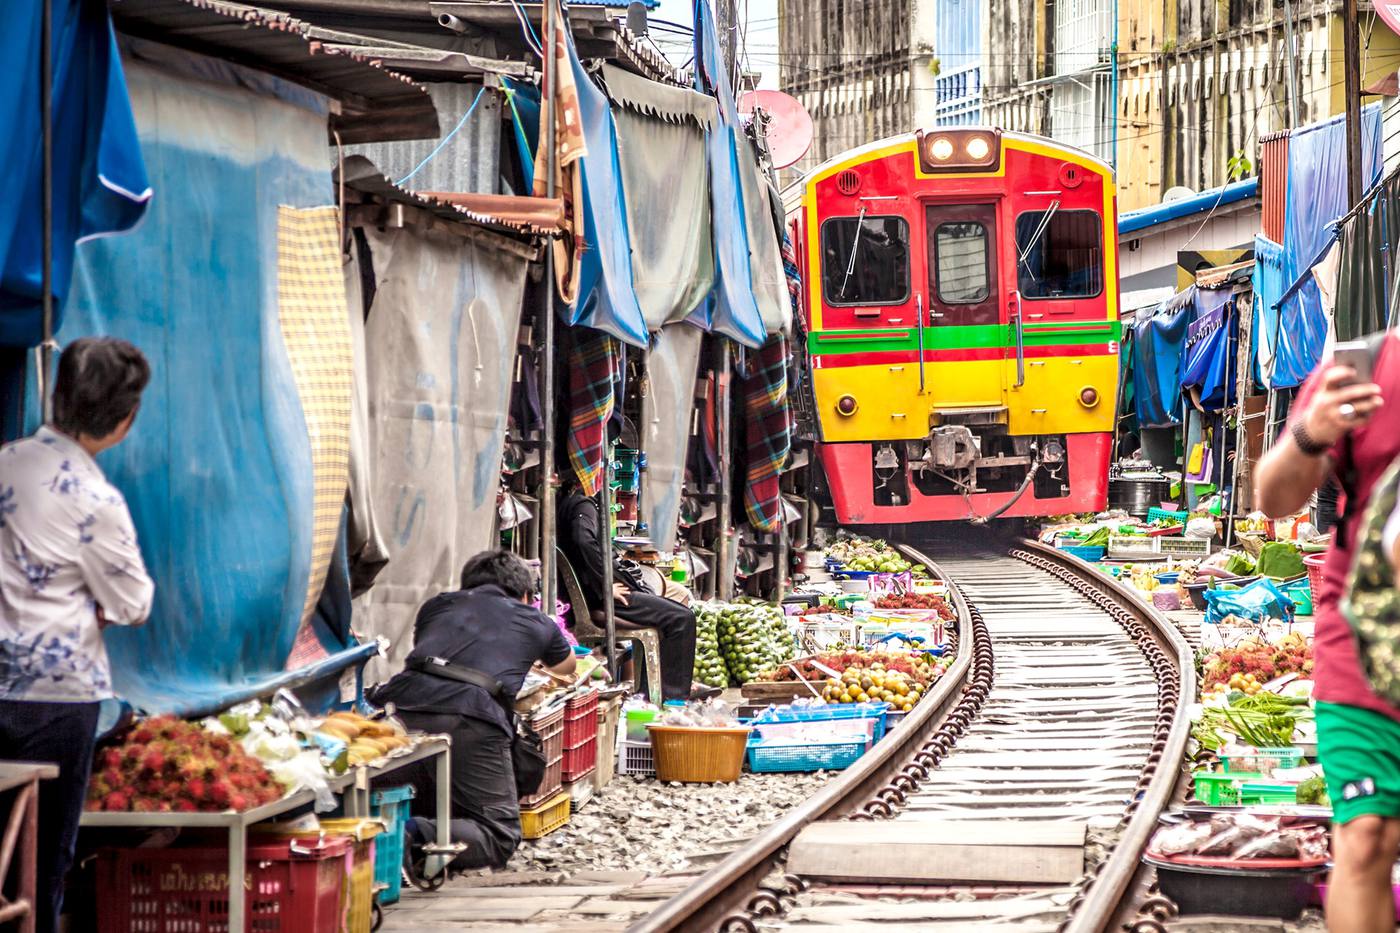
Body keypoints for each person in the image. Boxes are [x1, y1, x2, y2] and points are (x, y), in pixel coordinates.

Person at [0, 337, 154, 933]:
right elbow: (133, 601)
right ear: (125, 419)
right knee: (38, 861)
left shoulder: (6, 462)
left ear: (56, 395)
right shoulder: (94, 499)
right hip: (54, 699)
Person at [1253, 334, 1396, 933]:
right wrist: (1313, 432)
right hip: (1364, 646)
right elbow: (1274, 496)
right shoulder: (1369, 365)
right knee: (1365, 835)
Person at [369, 550, 576, 871]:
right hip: (472, 715)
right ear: (524, 594)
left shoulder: (437, 606)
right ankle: (406, 837)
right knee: (500, 834)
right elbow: (567, 665)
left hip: (400, 708)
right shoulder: (536, 620)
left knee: (406, 790)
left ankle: (376, 832)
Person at [557, 484, 708, 701]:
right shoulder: (582, 505)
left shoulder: (571, 504)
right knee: (681, 618)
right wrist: (605, 585)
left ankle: (655, 692)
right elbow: (583, 540)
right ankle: (673, 697)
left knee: (674, 611)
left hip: (600, 595)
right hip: (603, 600)